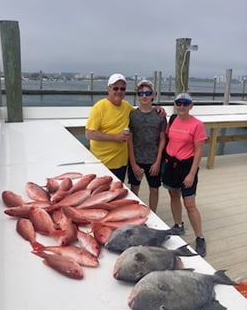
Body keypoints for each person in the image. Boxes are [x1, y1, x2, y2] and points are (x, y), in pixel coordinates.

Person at [85, 73, 166, 182]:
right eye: (116, 88)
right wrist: (115, 137)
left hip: (121, 163)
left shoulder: (126, 106)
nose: (119, 91)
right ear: (109, 89)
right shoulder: (99, 107)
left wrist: (156, 108)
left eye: (122, 89)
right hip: (103, 163)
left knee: (117, 193)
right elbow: (89, 133)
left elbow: (143, 110)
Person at [162, 93, 207, 257]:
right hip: (171, 165)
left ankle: (200, 237)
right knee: (174, 195)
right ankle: (178, 225)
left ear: (191, 106)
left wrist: (191, 174)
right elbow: (168, 139)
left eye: (185, 103)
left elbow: (199, 150)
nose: (181, 106)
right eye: (178, 103)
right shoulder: (172, 120)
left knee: (190, 204)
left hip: (187, 167)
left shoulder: (197, 125)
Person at [127, 80, 167, 212]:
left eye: (148, 93)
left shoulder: (160, 115)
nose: (144, 96)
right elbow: (130, 140)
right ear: (137, 96)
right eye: (141, 93)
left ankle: (153, 213)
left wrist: (157, 162)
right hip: (137, 159)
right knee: (134, 189)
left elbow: (162, 139)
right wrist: (133, 164)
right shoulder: (132, 115)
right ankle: (136, 213)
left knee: (154, 189)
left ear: (153, 95)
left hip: (153, 160)